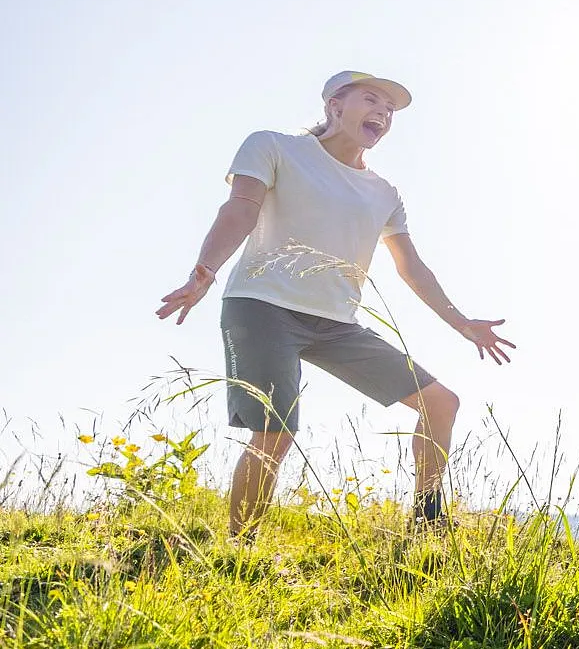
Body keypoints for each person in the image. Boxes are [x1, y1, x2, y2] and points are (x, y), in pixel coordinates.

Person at [155, 71, 514, 537]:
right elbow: (241, 207)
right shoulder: (273, 146)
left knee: (441, 403)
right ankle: (239, 548)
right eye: (371, 100)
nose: (382, 113)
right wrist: (205, 269)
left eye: (389, 109)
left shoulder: (384, 192)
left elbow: (410, 266)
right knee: (275, 433)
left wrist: (461, 322)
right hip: (262, 306)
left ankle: (427, 523)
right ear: (334, 105)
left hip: (338, 323)